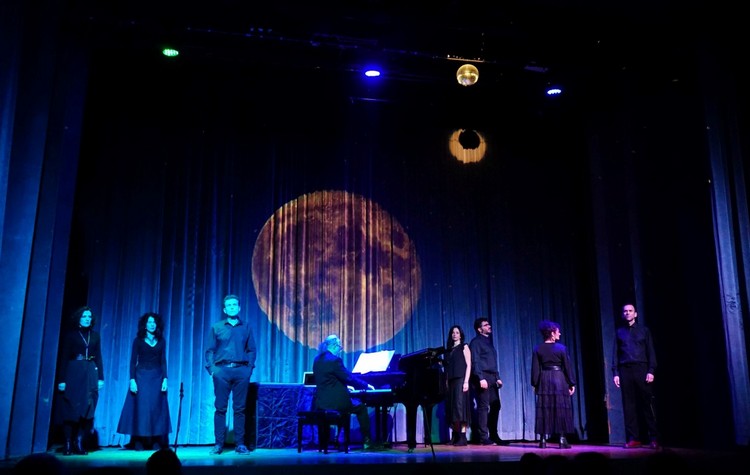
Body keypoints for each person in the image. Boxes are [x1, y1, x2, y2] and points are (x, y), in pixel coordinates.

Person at [204, 294, 257, 455]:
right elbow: (210, 350)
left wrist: (249, 369)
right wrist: (212, 370)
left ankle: (240, 444)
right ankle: (218, 444)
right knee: (220, 408)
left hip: (241, 371)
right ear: (225, 309)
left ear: (239, 308)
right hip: (222, 371)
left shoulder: (246, 327)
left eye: (235, 304)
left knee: (240, 409)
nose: (232, 307)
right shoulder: (217, 327)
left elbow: (251, 349)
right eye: (229, 305)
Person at [312, 334, 379, 450]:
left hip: (321, 402)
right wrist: (366, 385)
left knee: (354, 404)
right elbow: (349, 378)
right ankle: (367, 441)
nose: (340, 350)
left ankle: (333, 441)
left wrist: (345, 387)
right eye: (340, 347)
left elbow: (330, 379)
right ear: (334, 346)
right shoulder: (335, 360)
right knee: (361, 408)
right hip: (337, 403)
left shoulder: (317, 360)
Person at [117, 312, 172, 451]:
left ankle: (155, 440)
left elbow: (163, 361)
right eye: (149, 322)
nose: (152, 325)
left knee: (156, 408)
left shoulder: (161, 340)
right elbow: (132, 362)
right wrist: (132, 380)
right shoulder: (138, 340)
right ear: (145, 325)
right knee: (141, 409)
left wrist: (165, 379)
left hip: (157, 377)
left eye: (154, 322)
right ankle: (138, 440)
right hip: (141, 376)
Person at [56, 306, 104, 456]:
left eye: (89, 317)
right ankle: (67, 443)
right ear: (78, 318)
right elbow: (64, 357)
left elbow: (99, 357)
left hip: (90, 372)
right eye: (84, 316)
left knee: (87, 408)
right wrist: (62, 379)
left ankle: (79, 442)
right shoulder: (71, 335)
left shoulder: (95, 336)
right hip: (74, 372)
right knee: (71, 409)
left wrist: (101, 377)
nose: (87, 319)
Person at [612, 303, 660, 449]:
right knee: (629, 406)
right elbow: (615, 353)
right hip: (625, 370)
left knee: (647, 404)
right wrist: (615, 373)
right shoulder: (619, 332)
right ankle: (634, 438)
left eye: (630, 311)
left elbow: (651, 351)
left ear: (635, 314)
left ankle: (653, 437)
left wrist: (651, 370)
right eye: (625, 311)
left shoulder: (644, 330)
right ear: (623, 314)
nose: (627, 313)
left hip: (641, 369)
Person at [530, 320, 576, 449]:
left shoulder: (538, 349)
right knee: (560, 408)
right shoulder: (561, 348)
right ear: (551, 333)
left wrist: (535, 384)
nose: (559, 334)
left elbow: (535, 369)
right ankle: (562, 439)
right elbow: (567, 367)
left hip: (544, 379)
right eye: (557, 332)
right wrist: (571, 383)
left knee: (544, 408)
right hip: (558, 378)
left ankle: (543, 440)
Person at [468, 317, 509, 445]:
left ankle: (494, 435)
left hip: (492, 377)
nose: (489, 326)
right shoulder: (475, 342)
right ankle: (483, 437)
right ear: (479, 329)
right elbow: (475, 361)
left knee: (496, 405)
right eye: (486, 325)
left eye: (488, 324)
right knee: (483, 406)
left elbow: (492, 362)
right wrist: (480, 378)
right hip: (483, 377)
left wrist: (497, 377)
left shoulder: (488, 342)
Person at [444, 325, 471, 446]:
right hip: (451, 381)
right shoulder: (449, 350)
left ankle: (462, 436)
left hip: (461, 379)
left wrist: (466, 381)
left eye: (457, 332)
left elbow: (469, 365)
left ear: (460, 335)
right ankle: (455, 435)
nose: (455, 334)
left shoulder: (464, 347)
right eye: (453, 332)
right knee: (453, 408)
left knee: (461, 408)